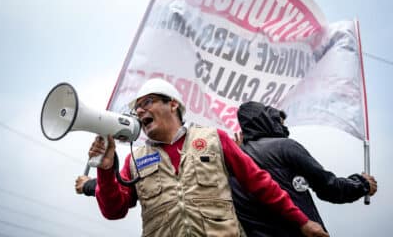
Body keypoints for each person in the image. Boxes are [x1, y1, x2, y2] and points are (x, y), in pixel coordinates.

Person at [86, 78, 329, 237]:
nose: (139, 111)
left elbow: (261, 184)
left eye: (147, 102)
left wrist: (302, 221)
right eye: (136, 108)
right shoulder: (134, 160)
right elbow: (113, 211)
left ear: (172, 104)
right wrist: (105, 170)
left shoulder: (215, 139)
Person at [231, 101, 377, 236]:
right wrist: (362, 184)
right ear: (269, 122)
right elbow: (329, 187)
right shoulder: (284, 146)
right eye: (279, 122)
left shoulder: (231, 159)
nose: (284, 128)